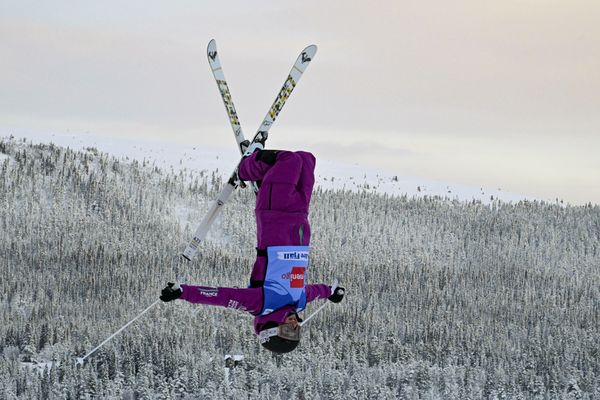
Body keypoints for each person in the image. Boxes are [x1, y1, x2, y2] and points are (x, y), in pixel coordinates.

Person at [160, 144, 345, 354]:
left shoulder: (261, 303)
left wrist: (182, 292)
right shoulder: (299, 302)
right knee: (306, 159)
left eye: (288, 331)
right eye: (296, 332)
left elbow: (221, 296)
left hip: (274, 217)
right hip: (300, 220)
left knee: (290, 161)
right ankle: (265, 176)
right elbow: (315, 291)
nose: (295, 326)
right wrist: (331, 291)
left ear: (271, 329)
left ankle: (246, 168)